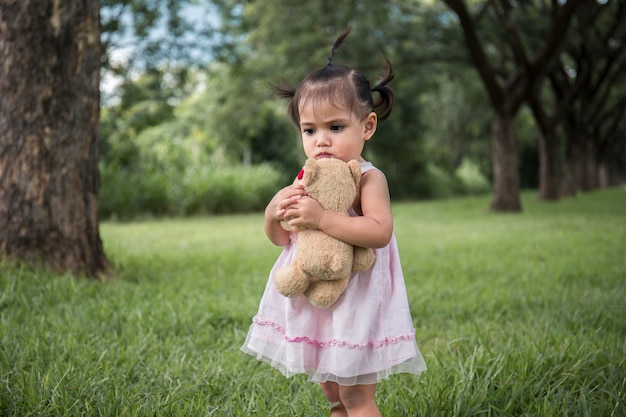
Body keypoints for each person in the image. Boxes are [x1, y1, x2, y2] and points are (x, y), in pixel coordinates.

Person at [241, 27, 426, 417]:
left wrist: (323, 218)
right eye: (310, 130)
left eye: (335, 127)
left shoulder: (369, 178)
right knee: (332, 394)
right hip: (317, 299)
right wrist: (273, 212)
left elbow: (378, 232)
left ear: (367, 127)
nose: (321, 141)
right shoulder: (305, 177)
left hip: (357, 298)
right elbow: (282, 239)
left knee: (356, 396)